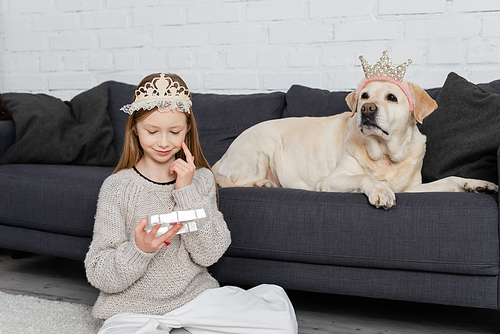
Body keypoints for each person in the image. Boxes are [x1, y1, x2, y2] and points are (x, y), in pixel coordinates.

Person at [84, 73, 298, 334]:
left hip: (194, 298)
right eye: (152, 131)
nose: (164, 142)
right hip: (131, 307)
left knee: (280, 325)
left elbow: (209, 253)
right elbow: (98, 273)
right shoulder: (117, 187)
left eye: (174, 132)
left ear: (186, 130)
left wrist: (185, 191)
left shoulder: (202, 180)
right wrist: (138, 250)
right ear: (135, 129)